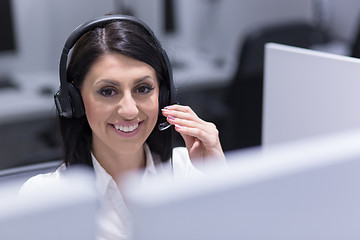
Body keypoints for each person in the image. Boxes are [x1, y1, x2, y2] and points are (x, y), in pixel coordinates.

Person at [20, 14, 226, 239]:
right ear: (76, 102)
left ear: (164, 95)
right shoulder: (44, 199)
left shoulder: (190, 171)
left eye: (143, 88)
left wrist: (219, 181)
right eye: (107, 91)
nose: (129, 110)